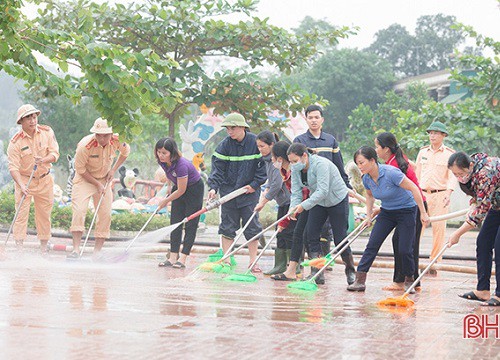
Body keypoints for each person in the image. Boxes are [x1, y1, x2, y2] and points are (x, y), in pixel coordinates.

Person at [348, 146, 429, 292]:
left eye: (362, 162)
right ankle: (359, 280)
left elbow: (414, 189)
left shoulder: (391, 173)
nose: (359, 166)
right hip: (387, 212)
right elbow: (369, 196)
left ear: (372, 160)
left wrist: (423, 213)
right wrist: (368, 216)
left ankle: (409, 280)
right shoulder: (366, 178)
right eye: (357, 163)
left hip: (407, 211)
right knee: (372, 244)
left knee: (405, 249)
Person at [293, 104, 353, 272]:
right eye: (310, 117)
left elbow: (339, 167)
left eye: (316, 117)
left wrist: (347, 187)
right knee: (311, 233)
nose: (313, 120)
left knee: (337, 234)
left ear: (322, 120)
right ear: (306, 119)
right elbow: (297, 171)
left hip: (333, 194)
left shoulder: (330, 140)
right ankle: (316, 271)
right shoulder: (300, 141)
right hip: (313, 196)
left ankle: (347, 270)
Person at [207, 113, 267, 271]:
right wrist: (213, 187)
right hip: (229, 194)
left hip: (249, 194)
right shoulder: (224, 146)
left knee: (252, 226)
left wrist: (255, 184)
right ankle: (226, 260)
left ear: (242, 127)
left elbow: (264, 167)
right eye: (227, 128)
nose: (229, 131)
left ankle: (253, 261)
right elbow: (217, 170)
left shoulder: (255, 144)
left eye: (232, 128)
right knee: (227, 226)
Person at [287, 143, 353, 285]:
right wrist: (293, 208)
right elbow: (296, 192)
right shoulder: (296, 169)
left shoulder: (321, 164)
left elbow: (323, 190)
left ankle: (350, 270)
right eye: (291, 162)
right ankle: (316, 273)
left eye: (294, 161)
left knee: (340, 237)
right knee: (311, 234)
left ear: (304, 156)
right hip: (318, 202)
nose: (292, 165)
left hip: (336, 199)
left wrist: (303, 206)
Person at [67, 118, 130, 259]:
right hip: (84, 179)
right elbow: (80, 169)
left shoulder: (117, 140)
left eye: (105, 135)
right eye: (98, 135)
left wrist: (113, 170)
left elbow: (125, 152)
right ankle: (76, 250)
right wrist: (96, 184)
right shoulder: (85, 145)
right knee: (79, 211)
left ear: (111, 133)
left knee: (105, 214)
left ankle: (97, 253)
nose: (102, 138)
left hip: (105, 179)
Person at [375, 132, 427, 290]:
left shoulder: (393, 166)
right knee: (405, 243)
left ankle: (402, 281)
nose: (375, 150)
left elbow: (399, 192)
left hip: (415, 206)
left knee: (405, 244)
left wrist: (423, 212)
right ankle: (410, 280)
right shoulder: (395, 159)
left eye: (377, 146)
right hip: (412, 205)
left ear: (386, 149)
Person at [448, 152, 499, 307]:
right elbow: (480, 195)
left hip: (493, 206)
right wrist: (473, 203)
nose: (459, 177)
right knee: (483, 242)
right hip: (497, 206)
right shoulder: (474, 166)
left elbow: (481, 212)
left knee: (499, 246)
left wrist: (457, 233)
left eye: (461, 173)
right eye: (455, 174)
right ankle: (482, 290)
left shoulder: (486, 171)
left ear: (470, 166)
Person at [7, 104, 60, 254]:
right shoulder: (15, 142)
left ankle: (44, 249)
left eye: (34, 116)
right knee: (21, 215)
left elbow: (55, 154)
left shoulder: (47, 132)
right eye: (28, 117)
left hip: (44, 179)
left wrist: (43, 160)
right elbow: (13, 168)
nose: (32, 120)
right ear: (21, 121)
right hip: (24, 181)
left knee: (44, 214)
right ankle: (19, 249)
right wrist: (21, 185)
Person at [155, 138, 204, 268]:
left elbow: (182, 190)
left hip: (193, 189)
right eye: (159, 152)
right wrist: (170, 187)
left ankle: (182, 259)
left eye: (164, 153)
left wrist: (166, 200)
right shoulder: (163, 162)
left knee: (190, 223)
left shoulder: (181, 165)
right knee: (175, 222)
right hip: (179, 186)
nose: (161, 155)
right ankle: (172, 258)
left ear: (172, 153)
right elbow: (169, 174)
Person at [415, 121, 457, 274]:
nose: (432, 135)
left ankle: (434, 263)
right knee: (417, 228)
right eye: (430, 133)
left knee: (439, 230)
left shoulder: (449, 154)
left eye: (435, 133)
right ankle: (413, 261)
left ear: (443, 135)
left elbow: (453, 175)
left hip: (440, 194)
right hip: (423, 195)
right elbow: (417, 174)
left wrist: (449, 192)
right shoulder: (423, 152)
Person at [254, 133, 294, 275]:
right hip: (283, 202)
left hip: (291, 202)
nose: (259, 149)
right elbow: (271, 182)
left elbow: (277, 183)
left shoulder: (278, 161)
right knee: (280, 233)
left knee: (288, 233)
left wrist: (264, 202)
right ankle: (280, 265)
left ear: (271, 145)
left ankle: (293, 266)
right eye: (258, 146)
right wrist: (265, 191)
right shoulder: (267, 161)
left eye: (262, 146)